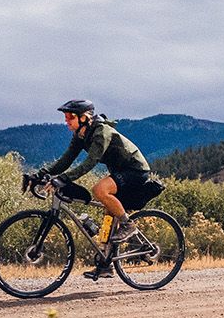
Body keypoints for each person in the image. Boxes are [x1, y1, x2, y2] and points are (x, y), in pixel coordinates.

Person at [37, 99, 165, 278]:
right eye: (65, 117)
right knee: (107, 218)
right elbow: (66, 160)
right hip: (120, 172)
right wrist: (41, 174)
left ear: (84, 117)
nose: (66, 120)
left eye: (70, 117)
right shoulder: (80, 135)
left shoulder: (100, 132)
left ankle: (128, 225)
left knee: (99, 190)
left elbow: (90, 162)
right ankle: (105, 264)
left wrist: (65, 179)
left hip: (135, 170)